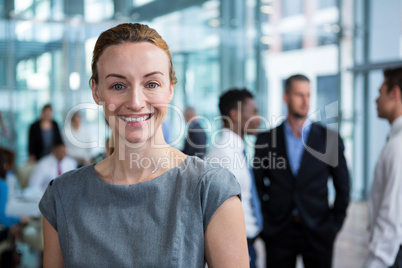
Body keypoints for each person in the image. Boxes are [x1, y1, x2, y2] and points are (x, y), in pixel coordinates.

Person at [39, 23, 248, 267]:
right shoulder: (62, 196)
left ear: (170, 88)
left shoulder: (211, 190)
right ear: (96, 91)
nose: (136, 102)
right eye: (118, 86)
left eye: (151, 84)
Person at [253, 74, 350, 268]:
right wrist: (266, 224)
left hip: (318, 231)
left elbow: (343, 186)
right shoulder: (266, 139)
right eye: (299, 95)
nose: (305, 101)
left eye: (308, 95)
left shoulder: (328, 138)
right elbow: (257, 186)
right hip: (279, 232)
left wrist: (333, 226)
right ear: (286, 97)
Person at [205, 88, 263, 268]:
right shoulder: (222, 156)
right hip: (236, 247)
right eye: (254, 112)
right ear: (235, 115)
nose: (259, 118)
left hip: (248, 244)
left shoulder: (236, 151)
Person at [363, 67, 402, 268]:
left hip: (393, 254)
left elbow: (393, 215)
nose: (376, 100)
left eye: (380, 93)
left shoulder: (398, 146)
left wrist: (373, 263)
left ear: (395, 93)